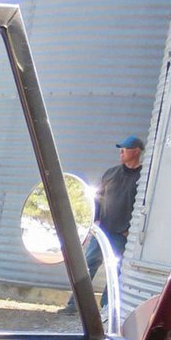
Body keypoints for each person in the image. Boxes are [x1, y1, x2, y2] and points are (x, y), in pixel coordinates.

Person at [59, 135, 144, 315]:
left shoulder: (143, 177)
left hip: (123, 235)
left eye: (125, 149)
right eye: (120, 149)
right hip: (102, 231)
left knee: (115, 271)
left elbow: (143, 204)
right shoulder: (111, 173)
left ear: (136, 151)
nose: (121, 152)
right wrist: (94, 220)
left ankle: (107, 308)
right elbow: (97, 198)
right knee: (87, 265)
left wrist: (131, 229)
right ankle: (74, 305)